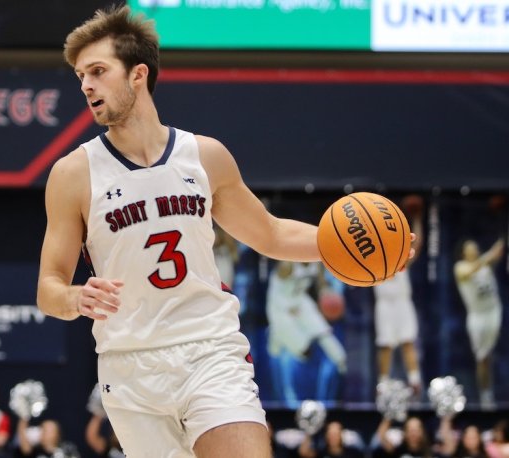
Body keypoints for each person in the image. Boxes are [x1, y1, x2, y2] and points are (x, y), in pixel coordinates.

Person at [34, 5, 410, 457]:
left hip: (209, 350)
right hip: (129, 366)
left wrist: (349, 248)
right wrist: (75, 298)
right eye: (80, 76)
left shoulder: (204, 156)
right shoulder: (73, 173)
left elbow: (268, 233)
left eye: (97, 71)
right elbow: (48, 289)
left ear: (138, 74)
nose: (86, 85)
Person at [266, 261, 347, 407]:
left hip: (300, 301)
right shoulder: (287, 265)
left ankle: (342, 362)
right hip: (279, 307)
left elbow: (321, 284)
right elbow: (275, 291)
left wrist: (328, 295)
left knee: (323, 332)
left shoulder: (316, 262)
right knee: (303, 352)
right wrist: (287, 309)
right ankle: (276, 339)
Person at [373, 213, 423, 395]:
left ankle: (415, 381)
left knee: (408, 342)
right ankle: (383, 384)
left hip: (402, 304)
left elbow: (416, 244)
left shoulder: (400, 257)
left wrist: (417, 218)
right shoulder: (373, 259)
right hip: (385, 305)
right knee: (386, 345)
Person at [454, 237, 505, 409]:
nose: (474, 250)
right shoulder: (460, 267)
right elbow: (470, 271)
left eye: (475, 247)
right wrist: (488, 257)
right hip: (477, 316)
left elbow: (497, 252)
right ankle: (485, 396)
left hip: (494, 311)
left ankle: (489, 393)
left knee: (490, 354)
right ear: (463, 253)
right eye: (470, 248)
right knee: (482, 358)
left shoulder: (485, 264)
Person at [298, 421, 364, 458]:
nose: (333, 437)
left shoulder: (352, 453)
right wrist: (309, 431)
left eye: (335, 434)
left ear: (341, 435)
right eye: (331, 434)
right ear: (326, 436)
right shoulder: (321, 453)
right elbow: (304, 453)